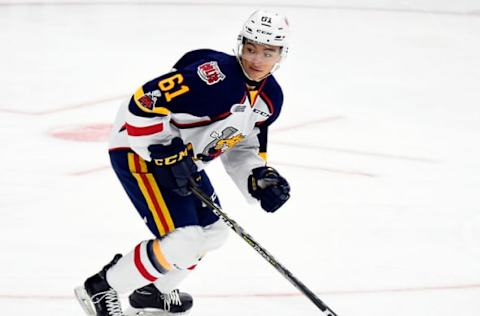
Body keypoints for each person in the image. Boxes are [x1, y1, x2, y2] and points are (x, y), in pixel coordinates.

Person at [75, 9, 291, 316]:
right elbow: (142, 104)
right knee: (184, 239)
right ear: (240, 44)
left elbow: (241, 145)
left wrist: (258, 178)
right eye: (251, 48)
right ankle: (101, 287)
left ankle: (153, 291)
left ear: (282, 54)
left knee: (214, 232)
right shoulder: (214, 77)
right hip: (136, 149)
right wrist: (163, 152)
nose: (256, 59)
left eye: (268, 52)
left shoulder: (271, 98)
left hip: (183, 161)